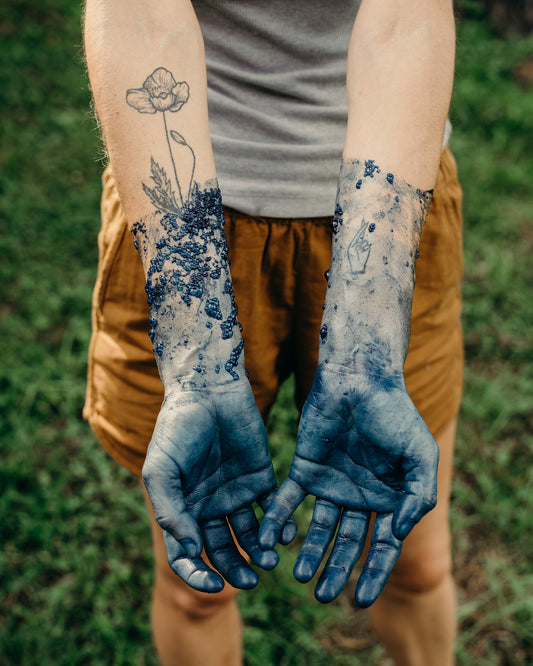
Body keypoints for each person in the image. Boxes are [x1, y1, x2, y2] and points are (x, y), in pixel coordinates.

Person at [83, 0, 463, 664]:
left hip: (389, 221)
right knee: (195, 586)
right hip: (183, 216)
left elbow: (405, 21)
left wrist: (365, 357)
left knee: (419, 564)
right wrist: (197, 362)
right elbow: (141, 16)